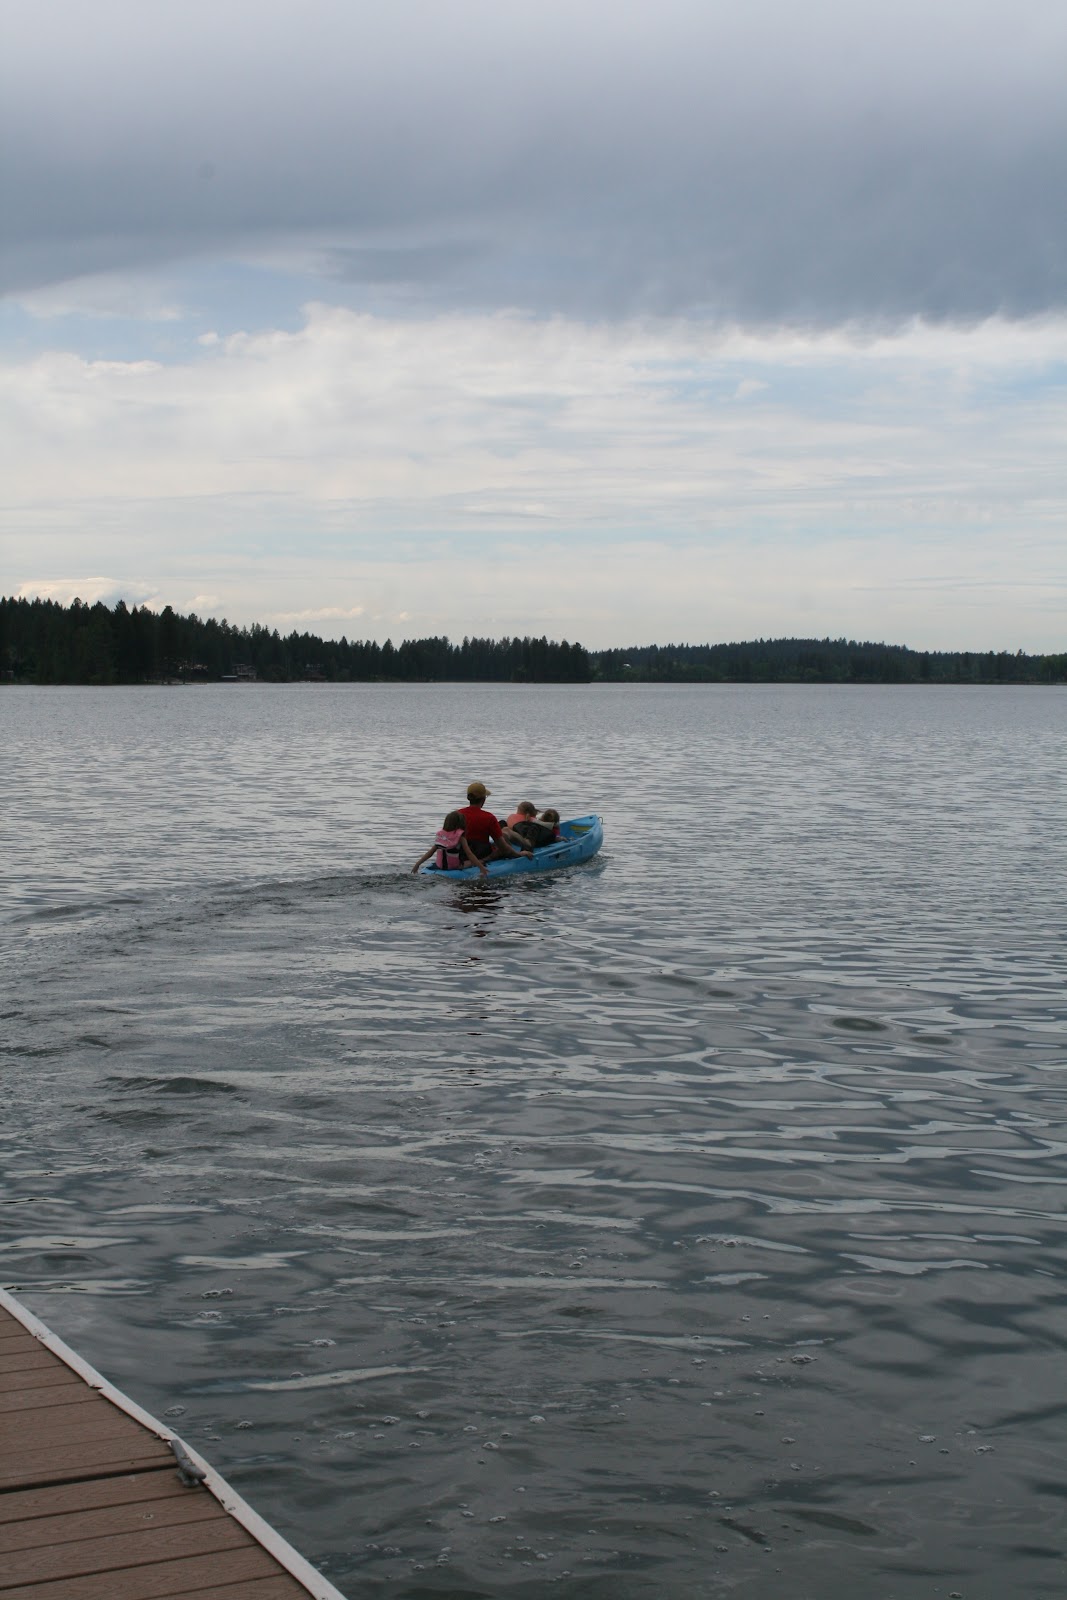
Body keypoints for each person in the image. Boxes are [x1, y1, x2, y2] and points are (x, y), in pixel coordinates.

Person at [457, 782, 532, 864]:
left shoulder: (457, 814)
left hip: (462, 855)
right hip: (482, 855)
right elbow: (504, 848)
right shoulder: (489, 818)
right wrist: (519, 854)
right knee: (505, 833)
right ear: (483, 799)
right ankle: (527, 844)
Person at [411, 811, 488, 876]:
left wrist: (417, 864)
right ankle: (481, 863)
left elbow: (430, 853)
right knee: (474, 862)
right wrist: (481, 868)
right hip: (455, 867)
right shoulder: (460, 837)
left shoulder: (441, 836)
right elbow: (469, 854)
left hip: (440, 866)